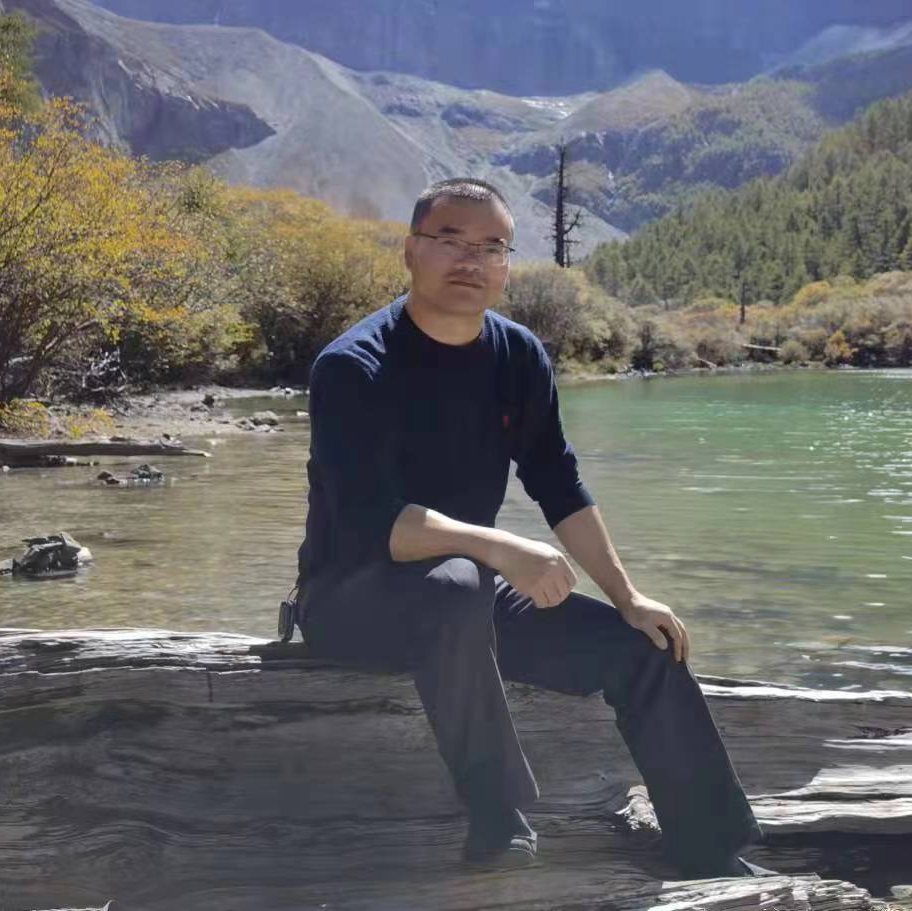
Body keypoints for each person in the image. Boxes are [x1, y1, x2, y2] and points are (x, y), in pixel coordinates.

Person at [294, 177, 769, 878]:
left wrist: (628, 597)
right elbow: (374, 527)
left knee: (644, 647)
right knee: (461, 582)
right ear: (410, 250)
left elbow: (557, 482)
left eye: (492, 246)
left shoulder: (517, 356)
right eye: (450, 239)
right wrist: (503, 547)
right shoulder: (353, 366)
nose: (471, 259)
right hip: (349, 599)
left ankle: (708, 848)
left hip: (465, 606)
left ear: (507, 266)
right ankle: (498, 817)